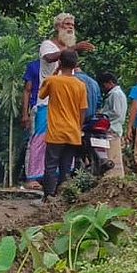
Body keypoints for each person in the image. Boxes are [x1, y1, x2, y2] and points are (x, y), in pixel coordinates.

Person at [39, 50, 87, 198]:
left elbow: (41, 94)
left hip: (56, 132)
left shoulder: (53, 81)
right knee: (66, 167)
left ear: (60, 62)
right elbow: (83, 109)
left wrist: (56, 71)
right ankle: (63, 197)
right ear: (76, 64)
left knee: (51, 166)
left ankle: (49, 196)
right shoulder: (80, 85)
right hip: (73, 132)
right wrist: (79, 128)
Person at [97, 72, 128, 179]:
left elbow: (116, 112)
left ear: (110, 83)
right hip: (113, 128)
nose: (103, 88)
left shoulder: (116, 94)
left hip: (113, 128)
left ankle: (114, 178)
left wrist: (102, 115)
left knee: (112, 157)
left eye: (104, 85)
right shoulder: (114, 94)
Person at [21, 57, 45, 189]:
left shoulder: (58, 65)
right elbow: (27, 90)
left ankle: (44, 175)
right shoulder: (34, 67)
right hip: (37, 107)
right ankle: (32, 176)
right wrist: (25, 114)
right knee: (35, 142)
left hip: (52, 108)